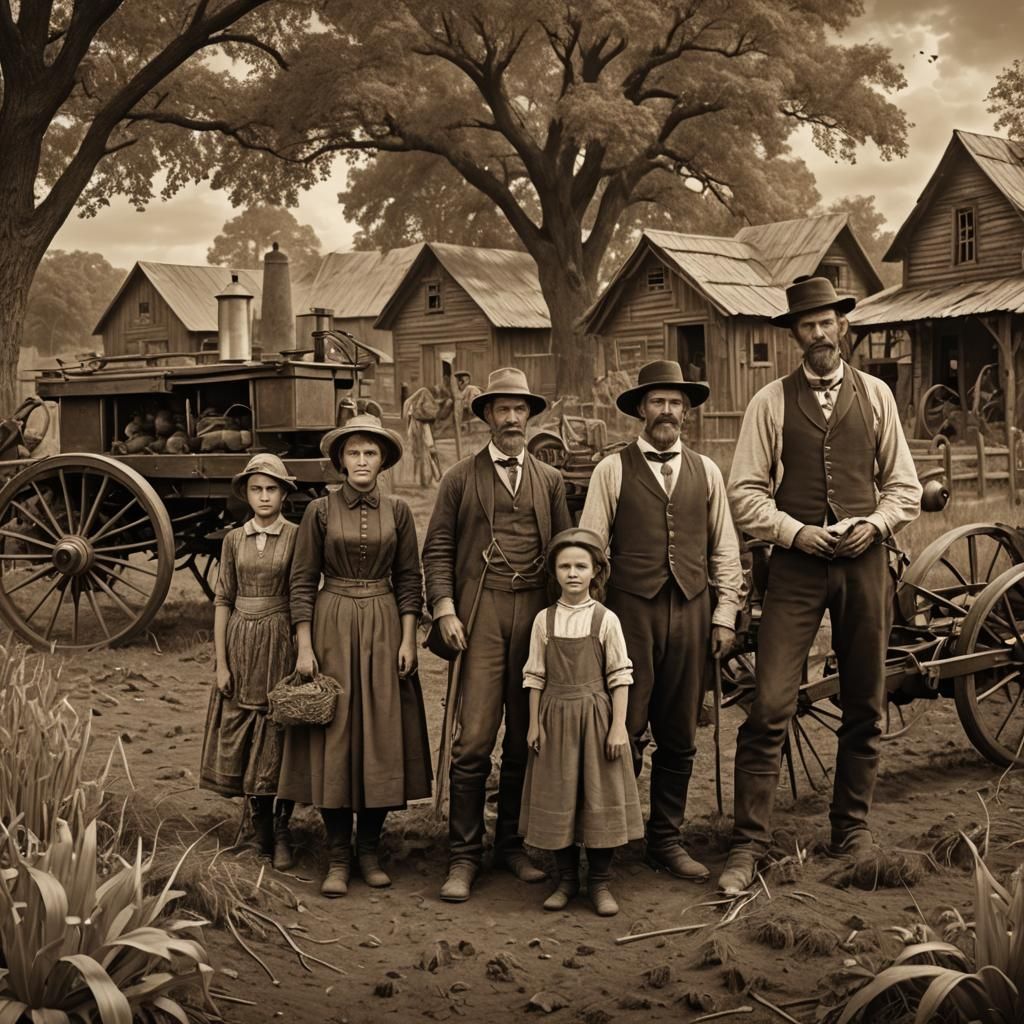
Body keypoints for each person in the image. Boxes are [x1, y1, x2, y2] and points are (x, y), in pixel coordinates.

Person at [719, 277, 922, 894]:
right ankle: (749, 844)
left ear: (843, 327)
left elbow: (905, 489)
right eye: (806, 325)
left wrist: (875, 524)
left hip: (864, 566)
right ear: (795, 335)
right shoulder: (770, 403)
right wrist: (795, 533)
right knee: (771, 704)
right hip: (797, 569)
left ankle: (851, 830)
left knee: (865, 701)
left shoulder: (878, 396)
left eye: (826, 322)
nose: (818, 334)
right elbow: (744, 492)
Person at [580, 360, 744, 881]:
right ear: (640, 410)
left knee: (679, 729)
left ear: (687, 412)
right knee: (623, 727)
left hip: (692, 614)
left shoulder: (707, 471)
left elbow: (725, 551)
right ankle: (613, 837)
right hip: (630, 616)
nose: (667, 411)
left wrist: (724, 617)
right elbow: (589, 550)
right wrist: (591, 619)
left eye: (676, 402)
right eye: (657, 402)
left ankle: (665, 839)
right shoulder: (612, 470)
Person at [422, 367, 573, 902]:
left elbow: (563, 553)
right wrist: (443, 607)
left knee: (524, 738)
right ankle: (463, 856)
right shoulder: (460, 478)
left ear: (530, 416)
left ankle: (511, 845)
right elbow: (437, 548)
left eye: (519, 409)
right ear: (486, 415)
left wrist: (563, 620)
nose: (511, 418)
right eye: (501, 409)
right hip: (479, 614)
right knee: (473, 741)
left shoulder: (550, 481)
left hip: (535, 614)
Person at [279, 414, 431, 897]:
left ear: (382, 460)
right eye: (353, 453)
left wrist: (408, 639)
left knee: (383, 735)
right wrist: (304, 645)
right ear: (340, 461)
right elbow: (302, 581)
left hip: (386, 626)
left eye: (370, 453)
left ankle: (371, 848)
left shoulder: (400, 510)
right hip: (332, 626)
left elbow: (410, 580)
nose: (362, 461)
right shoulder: (319, 512)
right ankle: (338, 856)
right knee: (336, 737)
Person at [519, 528, 643, 917]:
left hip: (596, 718)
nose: (573, 573)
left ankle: (600, 883)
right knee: (559, 795)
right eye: (565, 566)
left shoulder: (606, 620)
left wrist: (618, 726)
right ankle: (567, 880)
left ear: (595, 572)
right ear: (554, 572)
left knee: (598, 797)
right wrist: (534, 724)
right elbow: (534, 676)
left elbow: (620, 677)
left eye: (581, 566)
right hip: (555, 718)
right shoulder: (544, 620)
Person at [199, 454, 299, 870]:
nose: (264, 497)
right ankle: (257, 831)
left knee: (278, 732)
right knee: (242, 729)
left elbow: (302, 596)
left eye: (272, 489)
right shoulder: (234, 540)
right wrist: (221, 662)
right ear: (246, 493)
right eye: (256, 489)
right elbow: (223, 598)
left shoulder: (296, 536)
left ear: (283, 494)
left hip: (279, 639)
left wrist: (302, 648)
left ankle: (281, 832)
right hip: (241, 638)